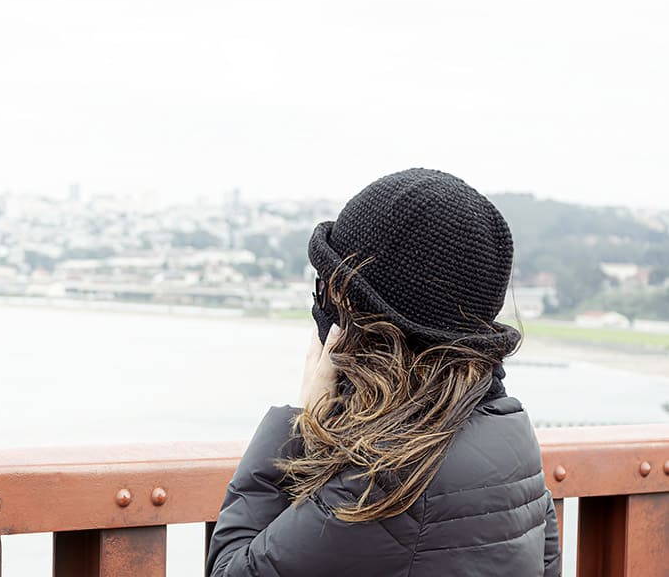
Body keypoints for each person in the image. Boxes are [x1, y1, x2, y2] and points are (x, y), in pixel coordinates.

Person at [206, 169, 562, 576]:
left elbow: (232, 571)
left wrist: (302, 424)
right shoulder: (512, 433)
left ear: (360, 322)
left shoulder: (383, 477)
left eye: (325, 290)